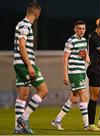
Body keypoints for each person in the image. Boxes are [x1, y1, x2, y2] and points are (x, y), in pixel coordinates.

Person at [13, 2, 48, 134]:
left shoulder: (20, 24)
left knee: (23, 95)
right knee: (43, 90)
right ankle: (24, 118)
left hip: (18, 63)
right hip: (24, 64)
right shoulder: (25, 25)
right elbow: (22, 46)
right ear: (37, 12)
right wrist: (29, 65)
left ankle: (18, 128)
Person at [51, 20, 90, 130]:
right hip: (74, 72)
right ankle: (87, 125)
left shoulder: (83, 41)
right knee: (84, 95)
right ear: (75, 29)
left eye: (83, 28)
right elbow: (65, 58)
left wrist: (93, 64)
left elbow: (84, 57)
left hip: (81, 72)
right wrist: (65, 75)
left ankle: (57, 120)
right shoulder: (70, 40)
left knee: (74, 98)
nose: (81, 30)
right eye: (79, 28)